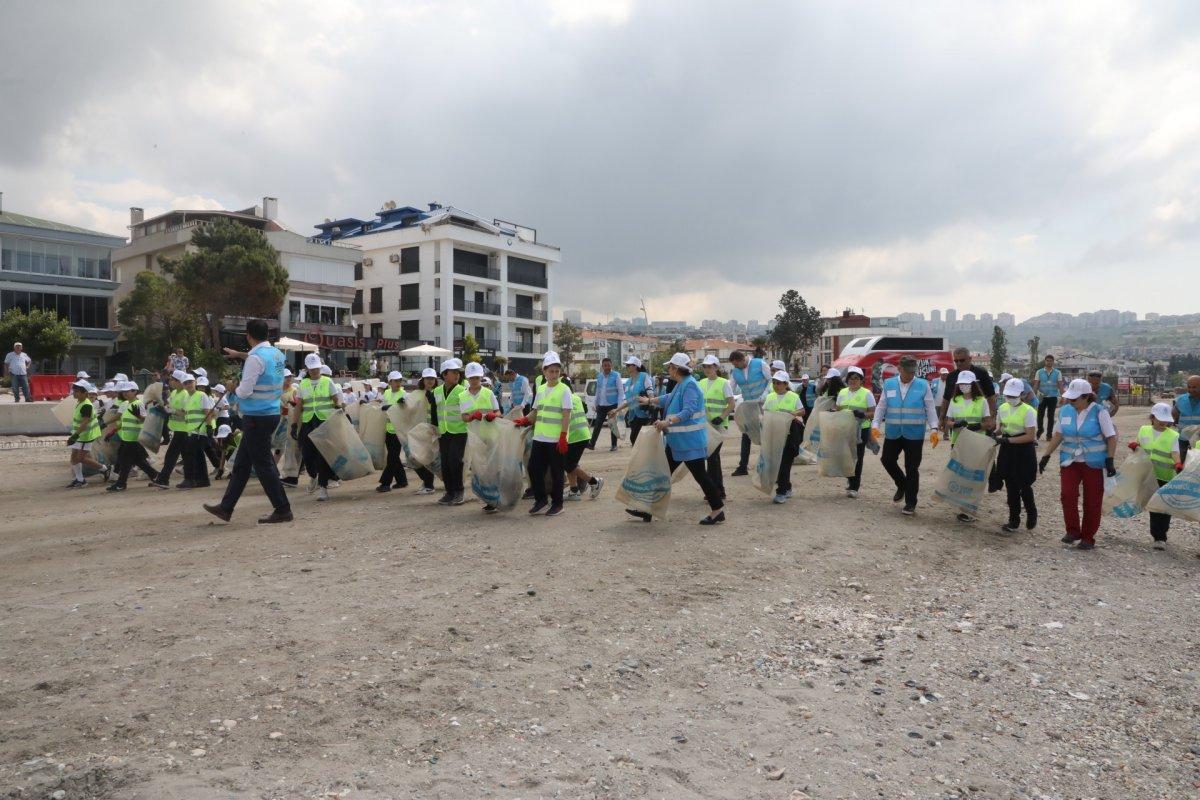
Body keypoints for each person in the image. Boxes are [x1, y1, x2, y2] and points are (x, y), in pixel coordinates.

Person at [202, 318, 292, 523]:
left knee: (263, 465)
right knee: (242, 464)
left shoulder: (254, 358)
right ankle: (226, 507)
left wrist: (233, 387)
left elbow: (245, 390)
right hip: (270, 413)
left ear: (248, 335)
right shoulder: (276, 354)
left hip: (256, 417)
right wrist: (240, 355)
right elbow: (259, 360)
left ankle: (283, 508)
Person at [631, 353, 726, 525]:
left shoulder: (690, 386)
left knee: (701, 477)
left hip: (690, 443)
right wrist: (650, 400)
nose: (668, 370)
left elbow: (688, 411)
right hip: (679, 442)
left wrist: (667, 421)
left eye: (669, 367)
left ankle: (717, 509)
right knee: (661, 473)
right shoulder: (681, 384)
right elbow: (669, 398)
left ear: (676, 368)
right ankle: (647, 509)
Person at [1038, 379, 1118, 551]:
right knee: (1067, 495)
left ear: (1086, 397)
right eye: (1069, 398)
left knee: (1092, 501)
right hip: (1070, 461)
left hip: (1094, 463)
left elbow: (1111, 437)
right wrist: (1046, 455)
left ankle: (1088, 537)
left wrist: (1110, 460)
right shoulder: (1066, 410)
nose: (1070, 401)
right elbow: (1058, 435)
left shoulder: (1100, 412)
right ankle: (1073, 531)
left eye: (1074, 399)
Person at [871, 355, 940, 515]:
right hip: (893, 431)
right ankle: (901, 484)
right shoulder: (889, 384)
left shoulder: (923, 385)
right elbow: (882, 406)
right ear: (899, 369)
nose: (910, 375)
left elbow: (930, 408)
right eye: (907, 371)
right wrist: (875, 424)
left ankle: (910, 502)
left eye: (912, 372)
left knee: (912, 468)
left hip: (914, 434)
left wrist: (934, 429)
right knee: (887, 459)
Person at [520, 352, 572, 516]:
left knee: (557, 473)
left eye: (557, 371)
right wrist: (524, 421)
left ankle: (558, 504)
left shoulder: (564, 389)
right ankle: (541, 500)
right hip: (540, 438)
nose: (555, 374)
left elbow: (566, 414)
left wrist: (563, 436)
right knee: (534, 469)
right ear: (544, 371)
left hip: (556, 439)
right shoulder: (541, 389)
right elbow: (536, 412)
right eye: (551, 371)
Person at [1128, 403, 1184, 550]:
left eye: (1166, 419)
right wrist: (1135, 445)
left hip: (1164, 477)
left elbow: (1175, 452)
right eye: (1160, 419)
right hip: (1146, 475)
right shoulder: (1144, 430)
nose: (1163, 422)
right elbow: (1139, 445)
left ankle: (1160, 537)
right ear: (1152, 417)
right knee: (1146, 503)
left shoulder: (1173, 435)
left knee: (1161, 507)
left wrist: (1178, 463)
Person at [943, 370, 995, 522]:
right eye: (961, 384)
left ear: (973, 384)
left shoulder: (981, 401)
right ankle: (962, 504)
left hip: (977, 442)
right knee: (960, 474)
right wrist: (955, 424)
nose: (964, 386)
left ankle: (968, 509)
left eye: (967, 384)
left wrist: (976, 426)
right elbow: (948, 422)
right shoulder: (955, 401)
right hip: (958, 442)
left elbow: (988, 423)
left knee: (972, 476)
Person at [994, 378, 1039, 533]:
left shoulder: (1029, 411)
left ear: (1022, 394)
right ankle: (1014, 520)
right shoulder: (1002, 408)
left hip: (1024, 450)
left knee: (1024, 485)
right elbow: (1000, 428)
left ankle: (1031, 512)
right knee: (1010, 485)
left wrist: (1007, 440)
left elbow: (1030, 436)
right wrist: (993, 435)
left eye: (1014, 396)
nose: (1010, 399)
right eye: (1008, 395)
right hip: (1007, 450)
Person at [296, 352, 340, 501]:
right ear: (307, 369)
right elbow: (299, 406)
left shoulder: (327, 382)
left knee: (322, 456)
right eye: (312, 368)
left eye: (317, 368)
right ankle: (313, 475)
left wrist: (339, 414)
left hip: (324, 422)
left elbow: (336, 400)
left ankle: (323, 488)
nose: (315, 371)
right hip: (308, 422)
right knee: (307, 454)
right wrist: (295, 424)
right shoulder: (303, 384)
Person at [460, 362, 501, 510]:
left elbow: (498, 412)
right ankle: (487, 498)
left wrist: (492, 415)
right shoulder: (462, 396)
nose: (474, 380)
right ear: (468, 378)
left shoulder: (488, 393)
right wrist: (471, 417)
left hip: (490, 436)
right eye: (471, 378)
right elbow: (463, 417)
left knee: (491, 468)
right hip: (474, 438)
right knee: (478, 468)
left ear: (481, 377)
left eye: (476, 377)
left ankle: (495, 498)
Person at [107, 381, 159, 492]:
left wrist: (138, 415)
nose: (125, 393)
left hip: (134, 438)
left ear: (135, 391)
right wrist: (112, 430)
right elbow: (122, 420)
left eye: (128, 391)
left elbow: (145, 420)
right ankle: (155, 475)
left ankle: (121, 483)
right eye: (124, 391)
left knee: (125, 461)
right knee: (137, 460)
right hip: (126, 438)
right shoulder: (125, 404)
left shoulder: (138, 404)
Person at [763, 370, 805, 504]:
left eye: (779, 383)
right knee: (777, 464)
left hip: (790, 436)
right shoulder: (770, 397)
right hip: (774, 435)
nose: (776, 385)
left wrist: (792, 413)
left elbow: (802, 411)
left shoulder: (793, 397)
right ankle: (787, 487)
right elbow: (766, 414)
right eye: (774, 383)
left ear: (786, 384)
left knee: (784, 464)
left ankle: (781, 492)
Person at [697, 355, 736, 499]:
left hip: (719, 426)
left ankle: (715, 491)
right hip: (705, 425)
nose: (707, 369)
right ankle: (718, 490)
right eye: (705, 366)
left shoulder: (724, 383)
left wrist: (722, 417)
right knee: (713, 458)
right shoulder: (701, 383)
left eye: (710, 366)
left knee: (712, 458)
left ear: (716, 367)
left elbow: (731, 403)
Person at [728, 349, 771, 476]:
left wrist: (765, 394)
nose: (736, 367)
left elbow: (771, 380)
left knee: (766, 433)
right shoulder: (735, 372)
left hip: (764, 404)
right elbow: (731, 387)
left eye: (736, 364)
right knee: (746, 434)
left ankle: (768, 464)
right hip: (749, 406)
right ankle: (743, 466)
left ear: (742, 360)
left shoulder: (760, 363)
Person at [835, 366, 875, 499]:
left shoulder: (866, 393)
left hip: (861, 429)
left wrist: (863, 414)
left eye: (856, 378)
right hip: (845, 428)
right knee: (846, 456)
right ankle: (850, 477)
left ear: (861, 380)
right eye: (851, 378)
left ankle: (854, 486)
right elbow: (838, 409)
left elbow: (873, 412)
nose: (853, 381)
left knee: (857, 457)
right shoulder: (842, 393)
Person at [563, 377, 604, 502]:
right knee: (570, 464)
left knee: (568, 465)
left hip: (574, 436)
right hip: (583, 435)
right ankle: (574, 491)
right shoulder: (575, 397)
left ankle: (594, 481)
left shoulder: (562, 399)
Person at [434, 358, 468, 506]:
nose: (457, 375)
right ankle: (449, 492)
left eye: (458, 373)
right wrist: (434, 428)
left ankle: (459, 491)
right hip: (443, 432)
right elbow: (435, 412)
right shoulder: (436, 391)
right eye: (453, 372)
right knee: (445, 463)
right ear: (444, 374)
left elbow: (467, 411)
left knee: (455, 461)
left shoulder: (462, 391)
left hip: (459, 432)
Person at [65, 380, 108, 487]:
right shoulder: (81, 403)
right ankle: (80, 479)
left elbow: (85, 423)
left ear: (85, 393)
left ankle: (104, 469)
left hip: (85, 436)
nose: (74, 393)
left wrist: (74, 436)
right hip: (80, 435)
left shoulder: (86, 406)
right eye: (74, 391)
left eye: (77, 391)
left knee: (81, 458)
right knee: (74, 457)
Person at [939, 348, 997, 421]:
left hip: (979, 417)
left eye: (962, 360)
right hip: (958, 419)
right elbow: (946, 399)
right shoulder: (951, 376)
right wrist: (942, 418)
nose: (959, 363)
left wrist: (992, 415)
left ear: (970, 359)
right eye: (956, 361)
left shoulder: (981, 373)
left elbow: (991, 396)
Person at [377, 371, 410, 493]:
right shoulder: (386, 393)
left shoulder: (404, 394)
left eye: (399, 380)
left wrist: (401, 404)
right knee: (394, 457)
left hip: (399, 431)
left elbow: (407, 410)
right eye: (395, 381)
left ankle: (385, 483)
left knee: (391, 457)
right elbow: (380, 406)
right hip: (388, 430)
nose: (398, 383)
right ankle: (402, 480)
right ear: (389, 382)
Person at [608, 356, 654, 444]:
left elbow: (650, 393)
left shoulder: (644, 376)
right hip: (632, 416)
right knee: (634, 439)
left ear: (635, 366)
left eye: (629, 365)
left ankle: (640, 456)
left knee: (636, 438)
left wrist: (650, 404)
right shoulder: (628, 382)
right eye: (627, 365)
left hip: (644, 414)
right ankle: (638, 456)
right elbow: (627, 401)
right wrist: (616, 410)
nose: (627, 367)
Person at [590, 357, 625, 452]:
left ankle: (614, 445)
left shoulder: (616, 375)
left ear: (611, 365)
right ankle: (592, 444)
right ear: (602, 366)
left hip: (612, 405)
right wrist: (595, 403)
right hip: (601, 405)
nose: (607, 367)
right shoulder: (599, 376)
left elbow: (621, 391)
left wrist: (618, 406)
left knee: (612, 425)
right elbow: (598, 391)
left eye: (608, 365)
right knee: (597, 425)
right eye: (605, 365)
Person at [1172, 374, 1200, 464]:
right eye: (1189, 387)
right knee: (1182, 463)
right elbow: (1174, 415)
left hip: (1199, 441)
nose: (1191, 390)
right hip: (1183, 440)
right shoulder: (1180, 400)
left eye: (1194, 387)